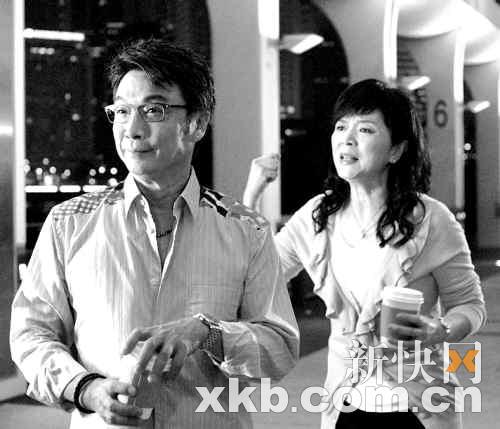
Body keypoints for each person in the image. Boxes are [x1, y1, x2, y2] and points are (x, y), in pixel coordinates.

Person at [10, 38, 299, 429]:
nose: (132, 129)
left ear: (197, 123)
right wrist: (86, 389)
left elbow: (280, 348)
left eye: (153, 110)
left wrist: (209, 334)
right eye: (121, 111)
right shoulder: (69, 224)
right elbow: (31, 333)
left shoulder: (246, 230)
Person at [243, 79, 486, 429]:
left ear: (395, 150)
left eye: (366, 129)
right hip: (345, 407)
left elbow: (471, 306)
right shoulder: (317, 218)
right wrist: (252, 196)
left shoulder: (432, 221)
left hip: (418, 408)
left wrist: (441, 330)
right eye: (341, 127)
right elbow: (259, 276)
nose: (347, 139)